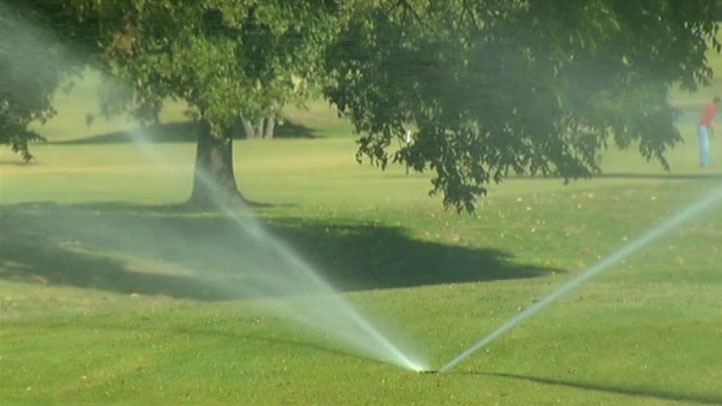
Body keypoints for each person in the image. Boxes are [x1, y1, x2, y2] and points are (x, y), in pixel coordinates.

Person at [698, 96, 720, 167]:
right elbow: (711, 120)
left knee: (704, 145)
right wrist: (713, 131)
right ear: (717, 102)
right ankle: (705, 163)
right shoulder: (713, 107)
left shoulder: (709, 106)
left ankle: (702, 162)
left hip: (702, 127)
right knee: (706, 146)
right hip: (703, 127)